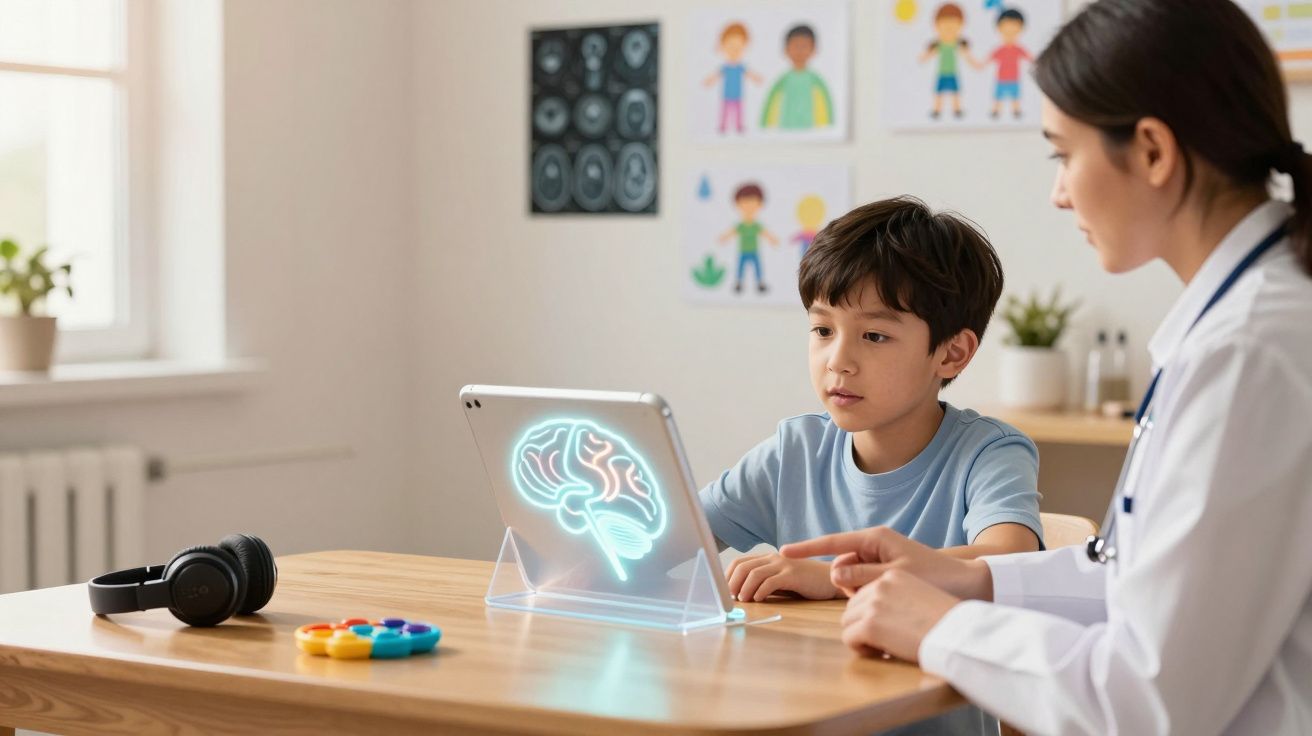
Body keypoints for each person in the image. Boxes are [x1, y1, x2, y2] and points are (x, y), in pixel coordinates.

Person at [782, 1, 1312, 733]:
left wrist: (940, 627)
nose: (1059, 192)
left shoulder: (1251, 352)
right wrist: (967, 576)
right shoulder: (1241, 325)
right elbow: (1138, 575)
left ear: (1153, 152)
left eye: (1064, 154)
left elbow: (1150, 702)